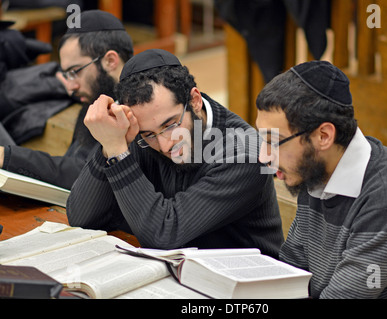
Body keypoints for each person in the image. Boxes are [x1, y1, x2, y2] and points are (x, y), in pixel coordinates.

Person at [255, 60, 387, 298]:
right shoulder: (313, 168)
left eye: (273, 141)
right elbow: (290, 274)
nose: (263, 156)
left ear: (324, 136)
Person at [66, 49, 284, 258]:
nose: (164, 145)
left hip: (247, 284)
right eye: (149, 134)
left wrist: (118, 154)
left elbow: (163, 234)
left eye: (170, 125)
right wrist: (109, 146)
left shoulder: (246, 153)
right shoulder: (141, 133)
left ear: (195, 101)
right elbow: (82, 217)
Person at [0, 10, 133, 190]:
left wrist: (8, 157)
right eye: (66, 75)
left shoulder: (140, 110)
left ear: (110, 61)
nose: (70, 87)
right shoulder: (97, 98)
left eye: (75, 72)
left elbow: (84, 173)